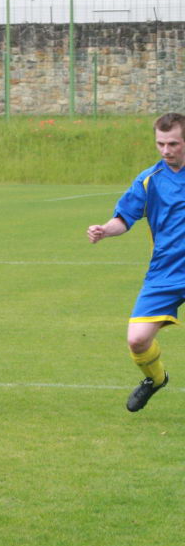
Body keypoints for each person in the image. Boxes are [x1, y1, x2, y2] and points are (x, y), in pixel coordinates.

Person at [86, 112, 185, 412]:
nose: (166, 150)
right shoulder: (149, 179)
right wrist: (105, 230)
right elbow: (124, 218)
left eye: (173, 144)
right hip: (165, 272)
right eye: (160, 144)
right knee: (137, 340)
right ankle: (156, 379)